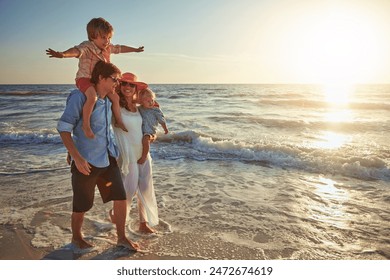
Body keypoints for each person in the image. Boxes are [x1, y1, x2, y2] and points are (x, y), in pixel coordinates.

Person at [57, 61, 139, 251]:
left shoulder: (109, 100)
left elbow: (131, 101)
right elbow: (63, 128)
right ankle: (77, 238)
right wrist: (75, 156)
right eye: (114, 80)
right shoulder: (79, 97)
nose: (117, 84)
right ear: (101, 78)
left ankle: (121, 237)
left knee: (120, 196)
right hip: (85, 161)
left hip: (108, 157)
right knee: (82, 204)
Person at [47, 17, 144, 138]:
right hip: (85, 79)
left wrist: (135, 49)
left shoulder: (107, 48)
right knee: (92, 97)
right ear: (93, 36)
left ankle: (119, 122)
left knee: (115, 97)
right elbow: (76, 51)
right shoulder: (87, 46)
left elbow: (120, 48)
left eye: (109, 38)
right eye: (103, 37)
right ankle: (86, 125)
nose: (107, 41)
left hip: (100, 81)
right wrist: (63, 54)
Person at [110, 72, 159, 234]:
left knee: (145, 189)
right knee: (128, 190)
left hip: (143, 153)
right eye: (124, 84)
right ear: (120, 86)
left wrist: (152, 136)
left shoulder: (141, 109)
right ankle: (118, 219)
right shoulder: (114, 105)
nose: (128, 87)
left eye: (132, 85)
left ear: (136, 88)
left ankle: (143, 223)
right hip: (128, 155)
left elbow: (151, 128)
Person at [137, 88, 169, 164]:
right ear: (141, 101)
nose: (151, 103)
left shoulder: (156, 110)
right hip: (141, 130)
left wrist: (165, 129)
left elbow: (162, 120)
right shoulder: (139, 108)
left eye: (152, 100)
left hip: (150, 131)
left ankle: (144, 156)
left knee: (146, 139)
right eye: (148, 101)